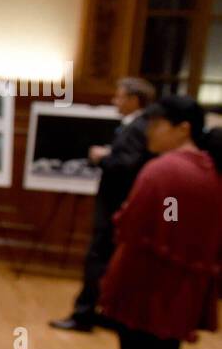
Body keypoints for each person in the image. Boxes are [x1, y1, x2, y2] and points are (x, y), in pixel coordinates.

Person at [89, 95, 222, 349]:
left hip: (146, 287)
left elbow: (131, 225)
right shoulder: (210, 172)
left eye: (157, 123)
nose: (149, 131)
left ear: (182, 128)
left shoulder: (166, 172)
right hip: (182, 289)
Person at [50, 77, 157, 332]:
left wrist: (103, 159)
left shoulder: (137, 127)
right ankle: (106, 312)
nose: (114, 101)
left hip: (115, 206)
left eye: (119, 96)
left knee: (98, 258)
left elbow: (128, 166)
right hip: (118, 205)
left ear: (134, 99)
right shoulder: (138, 126)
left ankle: (84, 313)